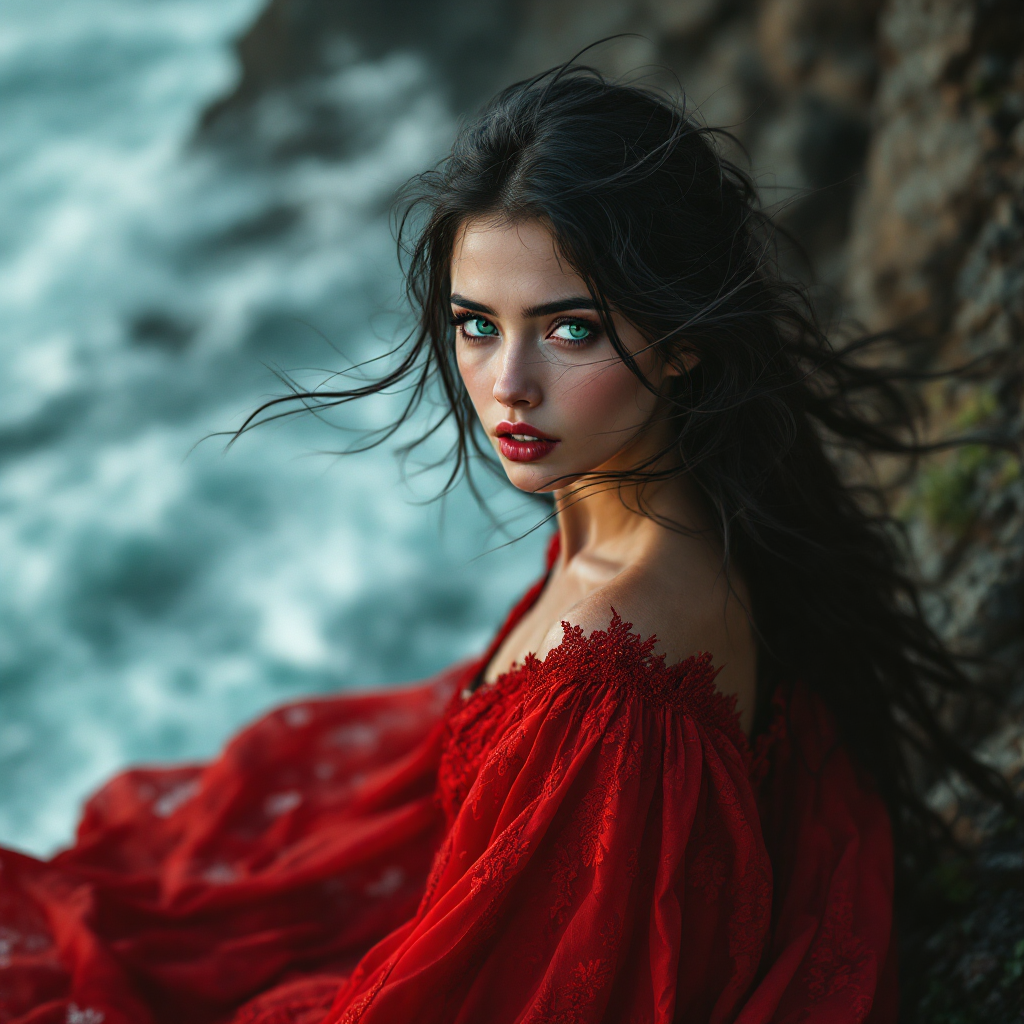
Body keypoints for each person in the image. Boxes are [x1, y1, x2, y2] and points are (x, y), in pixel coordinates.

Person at [0, 63, 1009, 1024]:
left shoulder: (616, 674)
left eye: (569, 330)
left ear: (684, 336)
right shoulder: (665, 518)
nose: (506, 384)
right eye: (476, 323)